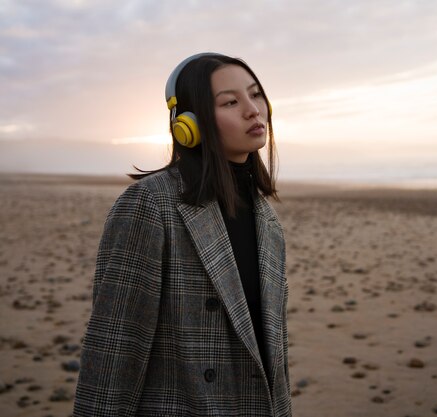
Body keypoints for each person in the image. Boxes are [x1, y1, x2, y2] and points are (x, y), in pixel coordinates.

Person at [73, 53, 291, 417]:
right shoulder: (150, 204)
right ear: (189, 123)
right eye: (231, 102)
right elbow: (116, 347)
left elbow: (273, 358)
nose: (254, 110)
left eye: (256, 95)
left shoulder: (267, 220)